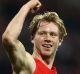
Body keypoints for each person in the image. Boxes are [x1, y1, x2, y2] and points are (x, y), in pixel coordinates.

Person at [2, 0, 67, 74]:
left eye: (53, 34)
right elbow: (9, 39)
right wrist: (26, 7)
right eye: (42, 33)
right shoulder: (28, 64)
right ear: (32, 38)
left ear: (60, 41)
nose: (48, 39)